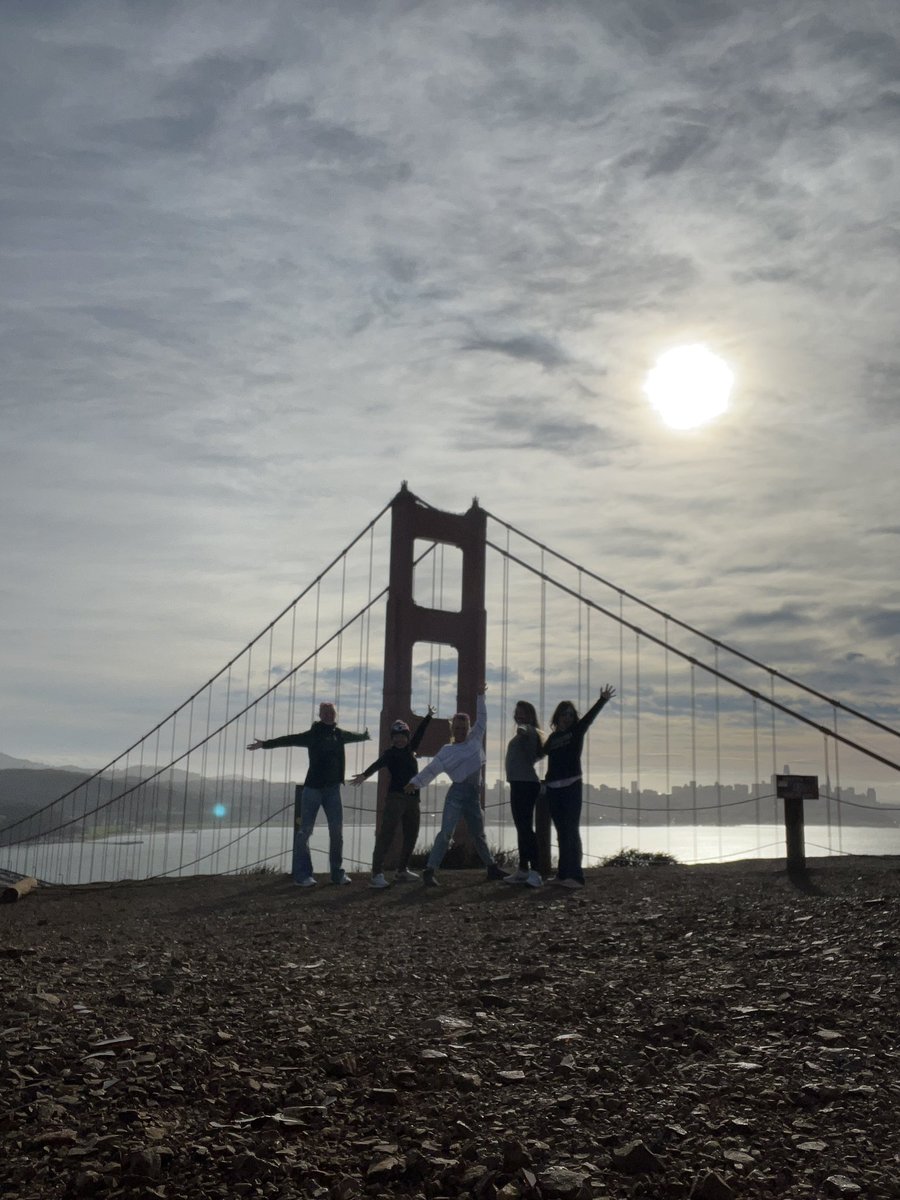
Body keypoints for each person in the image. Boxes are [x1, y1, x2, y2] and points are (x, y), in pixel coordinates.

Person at [247, 702, 369, 887]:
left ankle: (337, 874)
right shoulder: (313, 735)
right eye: (325, 712)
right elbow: (289, 739)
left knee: (337, 833)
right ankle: (303, 875)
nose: (328, 715)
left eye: (331, 712)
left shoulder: (339, 734)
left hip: (333, 789)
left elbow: (354, 737)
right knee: (305, 832)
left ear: (335, 714)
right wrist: (265, 744)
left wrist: (364, 736)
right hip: (312, 789)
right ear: (319, 715)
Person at [404, 685, 505, 887]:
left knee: (478, 834)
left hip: (473, 795)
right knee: (446, 834)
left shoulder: (475, 739)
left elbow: (483, 719)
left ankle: (492, 869)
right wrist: (415, 782)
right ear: (452, 729)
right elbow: (431, 770)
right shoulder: (447, 751)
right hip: (457, 794)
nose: (460, 731)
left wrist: (480, 696)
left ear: (468, 728)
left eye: (463, 727)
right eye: (457, 728)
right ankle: (430, 870)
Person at [351, 706, 435, 888]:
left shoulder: (412, 748)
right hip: (395, 798)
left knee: (412, 834)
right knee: (386, 834)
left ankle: (402, 870)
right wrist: (364, 775)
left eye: (402, 735)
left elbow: (420, 733)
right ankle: (376, 874)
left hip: (413, 798)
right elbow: (377, 764)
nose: (399, 739)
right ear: (392, 738)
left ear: (407, 736)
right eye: (395, 736)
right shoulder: (390, 754)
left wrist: (428, 716)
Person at [543, 685, 616, 889]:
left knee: (571, 831)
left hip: (571, 786)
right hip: (553, 788)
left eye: (570, 714)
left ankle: (576, 877)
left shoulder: (577, 731)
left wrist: (602, 700)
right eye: (563, 714)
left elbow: (589, 718)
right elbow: (540, 754)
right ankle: (563, 874)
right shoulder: (552, 738)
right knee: (561, 832)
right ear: (557, 717)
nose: (566, 717)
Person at [502, 700, 545, 888]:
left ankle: (535, 872)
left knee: (526, 829)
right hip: (519, 783)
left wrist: (523, 729)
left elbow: (527, 732)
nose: (518, 715)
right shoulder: (527, 732)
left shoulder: (528, 730)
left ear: (530, 715)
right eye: (517, 712)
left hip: (525, 784)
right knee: (522, 828)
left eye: (523, 712)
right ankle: (523, 870)